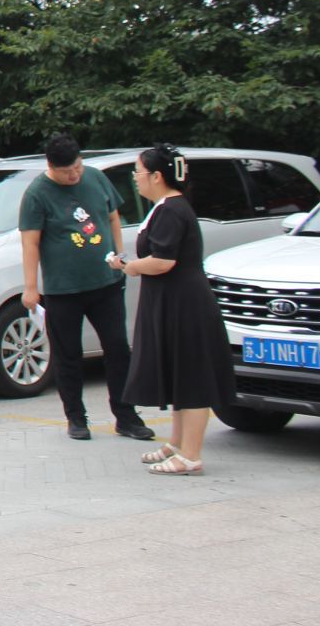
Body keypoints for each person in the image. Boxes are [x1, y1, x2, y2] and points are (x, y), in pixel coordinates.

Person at [19, 134, 155, 441]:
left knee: (117, 348)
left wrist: (120, 255)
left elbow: (112, 217)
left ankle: (126, 415)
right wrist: (30, 287)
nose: (74, 175)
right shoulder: (37, 194)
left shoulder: (95, 177)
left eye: (77, 167)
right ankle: (76, 417)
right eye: (67, 172)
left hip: (106, 283)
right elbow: (30, 242)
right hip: (63, 290)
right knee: (68, 355)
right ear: (50, 166)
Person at [113, 144, 235, 476]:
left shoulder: (172, 210)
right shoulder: (166, 207)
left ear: (157, 176)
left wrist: (130, 266)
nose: (135, 178)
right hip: (171, 300)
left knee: (191, 377)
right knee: (179, 374)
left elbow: (164, 261)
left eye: (138, 172)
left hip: (184, 304)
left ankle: (191, 455)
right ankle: (178, 443)